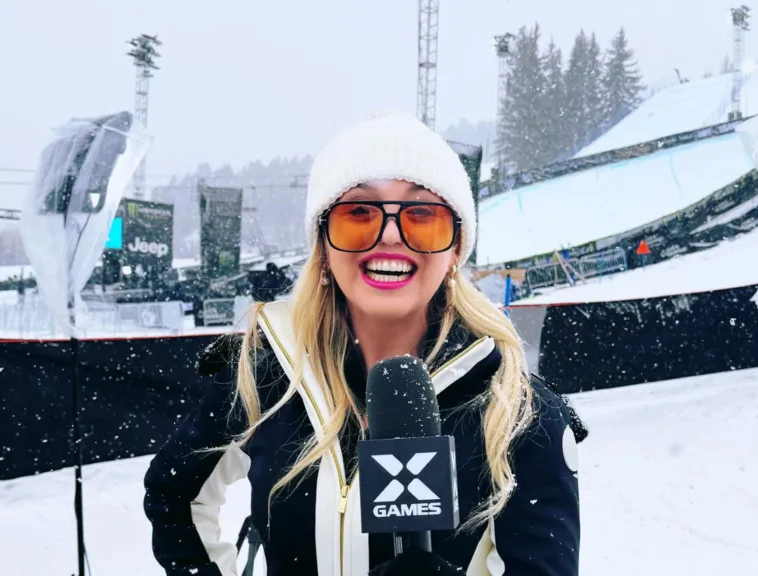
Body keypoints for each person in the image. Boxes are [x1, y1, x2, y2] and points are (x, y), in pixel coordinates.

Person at [144, 111, 587, 576]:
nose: (391, 236)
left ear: (457, 247)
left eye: (422, 215)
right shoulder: (263, 376)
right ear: (322, 243)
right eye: (358, 213)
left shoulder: (520, 412)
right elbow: (174, 498)